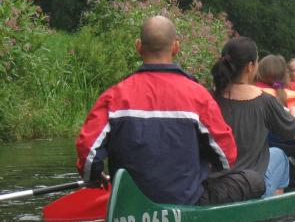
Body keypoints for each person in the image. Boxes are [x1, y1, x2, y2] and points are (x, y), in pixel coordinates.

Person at [76, 16, 264, 206]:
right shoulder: (198, 96)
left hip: (130, 204)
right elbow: (226, 157)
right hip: (187, 201)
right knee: (254, 180)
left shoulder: (113, 97)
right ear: (176, 47)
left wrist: (94, 177)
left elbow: (88, 154)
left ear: (138, 46)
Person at [211, 37, 295, 198]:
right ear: (250, 67)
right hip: (249, 187)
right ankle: (272, 208)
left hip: (213, 184)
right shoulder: (265, 101)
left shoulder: (208, 97)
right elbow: (293, 133)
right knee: (279, 156)